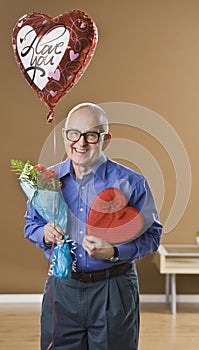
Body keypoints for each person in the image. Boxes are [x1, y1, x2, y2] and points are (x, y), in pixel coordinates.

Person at [24, 102, 162, 350]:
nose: (81, 142)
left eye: (91, 135)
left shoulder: (131, 182)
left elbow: (152, 236)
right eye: (74, 133)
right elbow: (30, 225)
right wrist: (43, 233)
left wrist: (114, 252)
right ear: (65, 136)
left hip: (113, 288)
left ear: (105, 140)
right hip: (61, 287)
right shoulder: (46, 181)